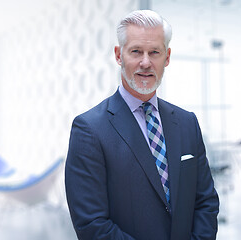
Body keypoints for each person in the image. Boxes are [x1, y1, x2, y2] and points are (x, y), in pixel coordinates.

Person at [65, 10, 219, 240]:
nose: (145, 62)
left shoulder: (187, 123)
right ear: (119, 55)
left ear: (166, 58)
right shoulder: (89, 129)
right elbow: (91, 224)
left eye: (154, 52)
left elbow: (205, 201)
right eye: (136, 51)